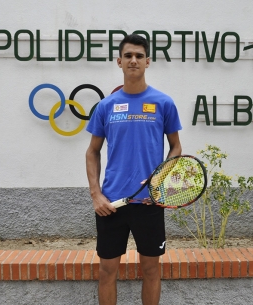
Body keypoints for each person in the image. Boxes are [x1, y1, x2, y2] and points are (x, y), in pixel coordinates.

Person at [85, 34, 182, 305]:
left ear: (148, 62)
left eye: (139, 56)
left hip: (149, 202)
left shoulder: (164, 103)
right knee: (107, 271)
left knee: (151, 270)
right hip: (112, 204)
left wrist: (160, 182)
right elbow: (92, 152)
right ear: (119, 61)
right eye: (128, 55)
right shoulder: (106, 106)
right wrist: (96, 195)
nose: (133, 60)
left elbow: (176, 147)